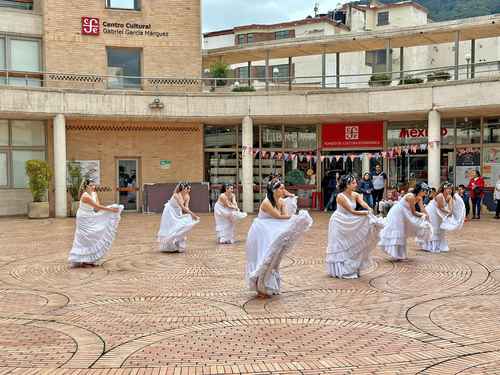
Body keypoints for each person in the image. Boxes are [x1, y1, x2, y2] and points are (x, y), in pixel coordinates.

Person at [246, 180, 313, 297]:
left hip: (273, 229)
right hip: (262, 231)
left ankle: (270, 285)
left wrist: (296, 218)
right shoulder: (267, 202)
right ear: (274, 190)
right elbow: (279, 216)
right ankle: (260, 286)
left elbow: (284, 217)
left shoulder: (281, 201)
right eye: (281, 188)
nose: (284, 191)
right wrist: (296, 217)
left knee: (275, 258)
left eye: (284, 188)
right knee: (265, 257)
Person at [326, 175, 384, 279]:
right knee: (340, 245)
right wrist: (365, 213)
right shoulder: (340, 196)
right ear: (347, 185)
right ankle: (341, 270)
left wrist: (369, 209)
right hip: (339, 221)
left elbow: (363, 203)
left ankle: (352, 267)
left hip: (350, 220)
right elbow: (352, 211)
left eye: (355, 182)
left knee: (352, 243)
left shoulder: (356, 194)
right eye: (353, 183)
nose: (356, 184)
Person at [68, 179, 123, 268]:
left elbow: (97, 208)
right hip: (83, 217)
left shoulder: (94, 194)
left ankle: (90, 259)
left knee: (93, 235)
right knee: (85, 237)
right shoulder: (85, 196)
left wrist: (108, 211)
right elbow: (96, 206)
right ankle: (84, 260)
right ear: (86, 186)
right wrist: (110, 209)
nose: (93, 187)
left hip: (91, 215)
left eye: (94, 185)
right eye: (91, 185)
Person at [378, 182, 433, 261]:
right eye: (425, 191)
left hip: (405, 213)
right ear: (420, 190)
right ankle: (396, 254)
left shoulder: (420, 198)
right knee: (398, 232)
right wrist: (422, 215)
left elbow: (423, 209)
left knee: (402, 233)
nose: (426, 193)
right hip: (398, 213)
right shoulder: (411, 196)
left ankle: (401, 255)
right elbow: (413, 212)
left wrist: (428, 217)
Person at [418, 182, 464, 253]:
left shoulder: (449, 197)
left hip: (439, 213)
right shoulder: (440, 195)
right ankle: (430, 246)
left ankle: (440, 245)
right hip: (432, 211)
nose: (449, 190)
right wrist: (448, 212)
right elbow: (440, 207)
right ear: (444, 189)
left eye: (450, 189)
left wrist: (450, 212)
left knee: (440, 227)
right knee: (434, 227)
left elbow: (450, 208)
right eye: (447, 189)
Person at [157, 182, 200, 252]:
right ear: (183, 188)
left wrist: (192, 215)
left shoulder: (187, 196)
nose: (189, 190)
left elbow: (186, 208)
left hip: (178, 210)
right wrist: (193, 215)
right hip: (170, 211)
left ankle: (179, 244)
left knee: (179, 226)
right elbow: (183, 207)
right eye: (187, 188)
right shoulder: (176, 195)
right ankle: (169, 245)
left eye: (189, 189)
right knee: (171, 227)